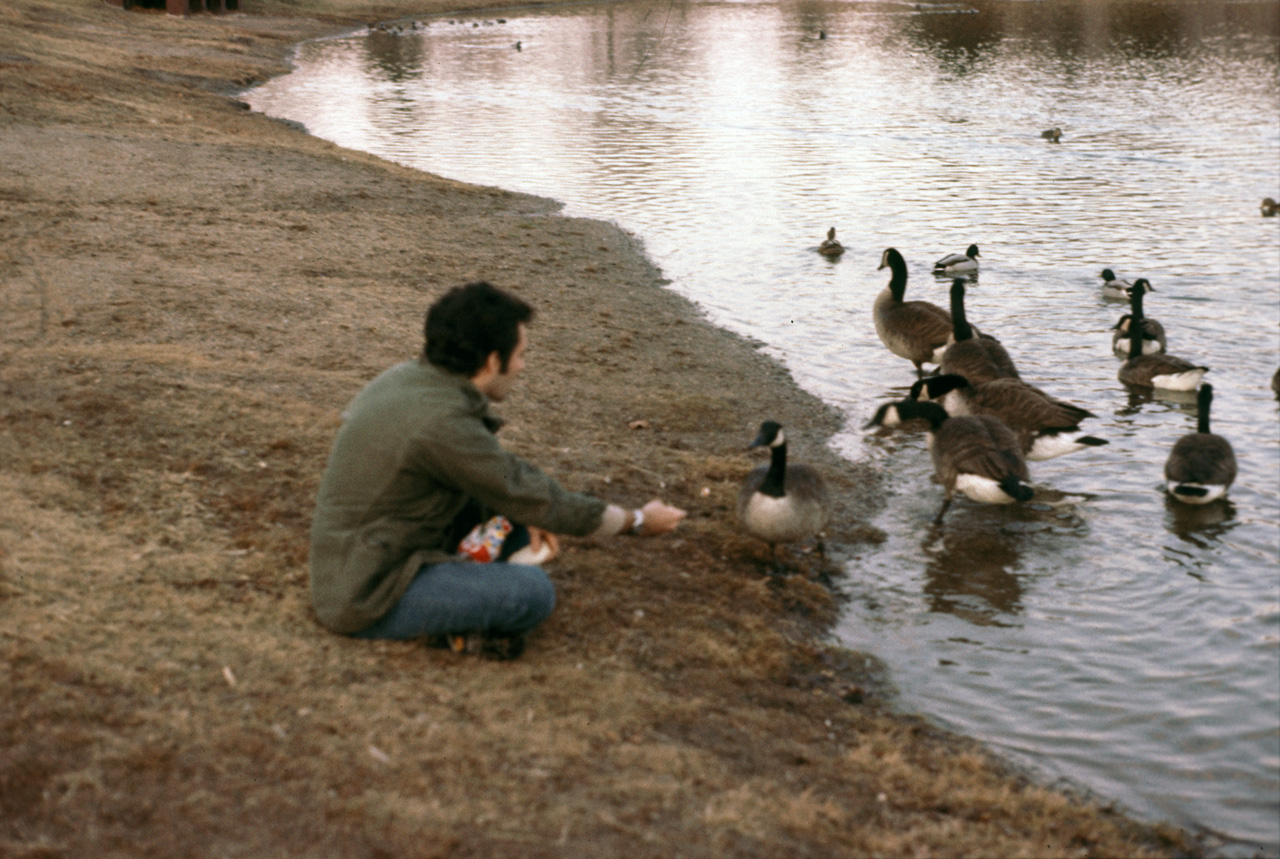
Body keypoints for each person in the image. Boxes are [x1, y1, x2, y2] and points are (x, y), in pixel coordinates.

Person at [309, 281, 686, 656]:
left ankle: (456, 605)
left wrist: (524, 509)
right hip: (366, 591)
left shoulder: (411, 379)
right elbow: (528, 492)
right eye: (520, 354)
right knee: (532, 593)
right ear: (492, 360)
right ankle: (448, 627)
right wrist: (636, 521)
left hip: (375, 550)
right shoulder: (442, 422)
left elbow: (509, 487)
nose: (522, 366)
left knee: (521, 530)